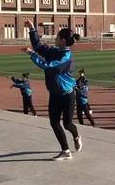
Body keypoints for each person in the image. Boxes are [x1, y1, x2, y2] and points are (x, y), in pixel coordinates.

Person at [24, 20, 81, 161]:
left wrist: (31, 54)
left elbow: (48, 66)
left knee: (67, 124)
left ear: (62, 40)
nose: (54, 39)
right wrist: (32, 29)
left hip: (67, 95)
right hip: (54, 94)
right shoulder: (55, 50)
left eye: (56, 37)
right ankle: (66, 151)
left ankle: (76, 135)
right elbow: (39, 46)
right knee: (54, 122)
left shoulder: (65, 57)